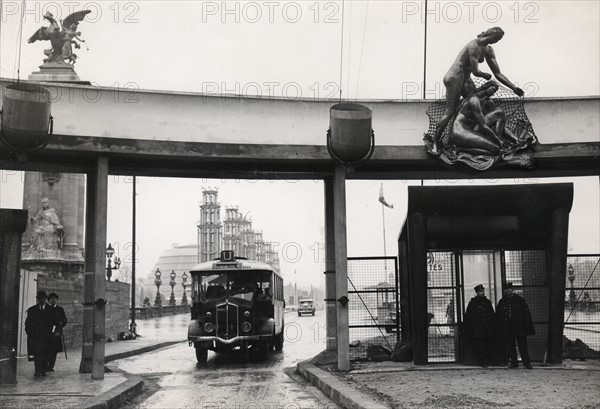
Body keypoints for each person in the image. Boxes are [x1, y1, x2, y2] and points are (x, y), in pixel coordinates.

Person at [431, 27, 524, 156]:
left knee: (483, 103)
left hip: (466, 79)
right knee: (450, 111)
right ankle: (436, 143)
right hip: (455, 77)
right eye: (496, 38)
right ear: (490, 34)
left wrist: (513, 87)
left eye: (499, 39)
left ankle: (496, 138)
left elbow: (497, 73)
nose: (496, 41)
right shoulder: (474, 45)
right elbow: (475, 71)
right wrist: (484, 75)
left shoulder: (489, 50)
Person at [496, 283, 535, 369]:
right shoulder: (502, 302)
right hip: (508, 328)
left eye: (509, 288)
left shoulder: (520, 300)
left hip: (519, 327)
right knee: (510, 345)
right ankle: (514, 362)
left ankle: (527, 363)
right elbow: (499, 316)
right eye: (506, 289)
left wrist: (526, 326)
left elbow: (526, 314)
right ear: (504, 290)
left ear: (512, 289)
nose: (508, 290)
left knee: (522, 345)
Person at [464, 284, 496, 367]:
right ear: (477, 292)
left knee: (487, 345)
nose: (482, 293)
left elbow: (491, 315)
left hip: (486, 328)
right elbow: (469, 316)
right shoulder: (473, 303)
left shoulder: (487, 302)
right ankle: (482, 361)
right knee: (480, 345)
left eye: (482, 291)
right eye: (480, 291)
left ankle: (488, 361)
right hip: (478, 329)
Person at [25, 291, 51, 377]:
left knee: (45, 353)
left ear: (45, 299)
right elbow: (28, 323)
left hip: (47, 336)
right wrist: (30, 333)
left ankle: (43, 370)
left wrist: (52, 333)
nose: (41, 300)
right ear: (37, 299)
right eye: (40, 298)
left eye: (43, 298)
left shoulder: (50, 309)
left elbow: (54, 322)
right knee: (37, 353)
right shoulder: (32, 310)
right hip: (36, 336)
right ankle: (37, 370)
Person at [46, 292, 67, 372]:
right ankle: (46, 364)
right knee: (46, 349)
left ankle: (51, 366)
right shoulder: (46, 309)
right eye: (51, 299)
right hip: (47, 333)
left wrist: (62, 323)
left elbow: (64, 319)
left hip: (56, 332)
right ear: (49, 300)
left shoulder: (60, 309)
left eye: (55, 299)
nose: (53, 300)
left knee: (54, 350)